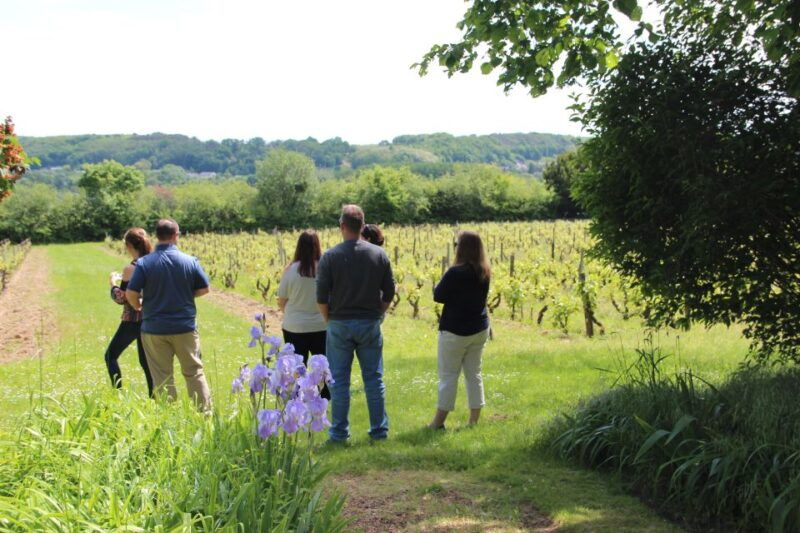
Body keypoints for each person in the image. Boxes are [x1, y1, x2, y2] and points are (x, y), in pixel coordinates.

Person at [317, 205, 395, 442]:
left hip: (339, 322)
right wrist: (378, 312)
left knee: (339, 381)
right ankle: (378, 431)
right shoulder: (378, 255)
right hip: (369, 322)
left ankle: (339, 433)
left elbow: (321, 297)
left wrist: (328, 319)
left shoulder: (330, 257)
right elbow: (390, 292)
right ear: (363, 226)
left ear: (341, 226)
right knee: (374, 379)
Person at [126, 219, 212, 412]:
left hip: (154, 328)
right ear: (176, 235)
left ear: (157, 236)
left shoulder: (144, 263)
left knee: (162, 377)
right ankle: (205, 415)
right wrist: (187, 294)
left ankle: (169, 419)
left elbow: (131, 293)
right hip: (185, 328)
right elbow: (204, 288)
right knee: (194, 372)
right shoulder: (189, 261)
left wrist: (139, 306)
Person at [428, 230, 491, 430]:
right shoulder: (484, 271)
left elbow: (438, 295)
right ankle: (473, 420)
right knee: (474, 374)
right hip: (479, 328)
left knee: (448, 376)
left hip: (455, 330)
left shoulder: (455, 273)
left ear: (461, 249)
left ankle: (438, 422)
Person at [278, 229, 330, 399]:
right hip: (320, 326)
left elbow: (282, 300)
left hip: (294, 326)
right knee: (321, 367)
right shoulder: (325, 269)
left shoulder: (290, 270)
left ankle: (296, 399)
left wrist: (293, 313)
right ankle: (322, 400)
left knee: (296, 367)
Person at [106, 227, 154, 396]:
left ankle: (117, 396)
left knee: (110, 355)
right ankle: (155, 399)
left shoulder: (130, 269)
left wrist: (112, 283)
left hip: (132, 319)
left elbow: (122, 298)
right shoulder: (154, 262)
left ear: (128, 246)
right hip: (150, 318)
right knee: (146, 362)